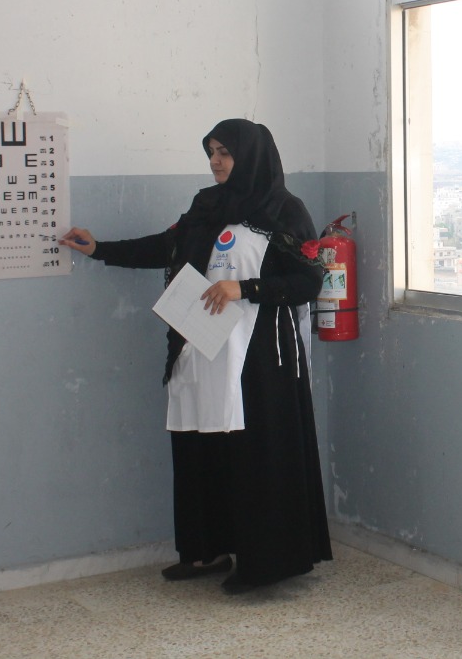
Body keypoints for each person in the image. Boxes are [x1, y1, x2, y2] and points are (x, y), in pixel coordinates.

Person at [60, 119, 332, 593]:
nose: (215, 161)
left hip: (258, 355)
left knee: (253, 453)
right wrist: (100, 248)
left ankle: (264, 562)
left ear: (250, 156)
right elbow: (167, 246)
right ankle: (208, 549)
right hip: (200, 343)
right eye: (211, 152)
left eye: (224, 152)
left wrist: (245, 288)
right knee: (200, 446)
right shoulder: (207, 204)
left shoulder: (284, 210)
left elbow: (309, 280)